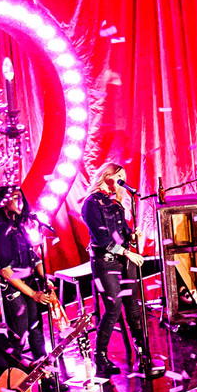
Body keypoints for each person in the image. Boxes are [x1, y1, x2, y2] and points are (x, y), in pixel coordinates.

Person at [82, 161, 150, 376]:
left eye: (123, 178)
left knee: (133, 307)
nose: (121, 182)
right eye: (117, 177)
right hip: (105, 261)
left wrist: (133, 235)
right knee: (113, 309)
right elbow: (102, 238)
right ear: (106, 176)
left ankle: (142, 350)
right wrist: (128, 252)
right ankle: (100, 355)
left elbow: (122, 232)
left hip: (124, 259)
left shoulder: (116, 201)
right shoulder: (91, 203)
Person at [0, 184, 60, 365]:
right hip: (13, 288)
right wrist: (33, 294)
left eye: (21, 197)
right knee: (19, 334)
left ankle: (45, 372)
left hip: (28, 282)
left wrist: (46, 280)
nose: (20, 202)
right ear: (3, 203)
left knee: (36, 328)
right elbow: (5, 271)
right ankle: (13, 375)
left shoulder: (18, 225)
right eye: (14, 198)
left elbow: (33, 257)